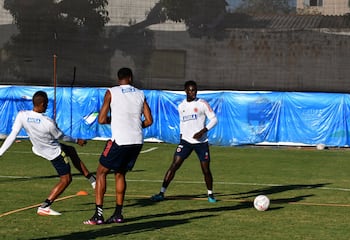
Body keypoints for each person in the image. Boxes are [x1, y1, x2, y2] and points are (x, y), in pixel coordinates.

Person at [0, 91, 96, 216]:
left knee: (71, 151)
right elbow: (62, 137)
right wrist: (77, 140)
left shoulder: (22, 115)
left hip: (39, 149)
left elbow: (12, 136)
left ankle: (92, 179)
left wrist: (0, 152)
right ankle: (45, 206)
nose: (47, 107)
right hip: (54, 152)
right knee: (66, 179)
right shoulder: (48, 122)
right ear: (42, 104)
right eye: (46, 105)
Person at [84, 67, 153, 225]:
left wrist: (113, 121)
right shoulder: (140, 93)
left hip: (120, 140)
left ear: (119, 78)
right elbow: (149, 121)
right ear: (130, 77)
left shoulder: (111, 92)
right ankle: (118, 214)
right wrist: (134, 124)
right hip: (136, 140)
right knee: (120, 174)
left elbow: (101, 119)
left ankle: (98, 215)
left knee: (101, 172)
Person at [150, 80, 218, 203]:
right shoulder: (181, 106)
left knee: (206, 169)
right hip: (186, 141)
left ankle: (210, 194)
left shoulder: (202, 103)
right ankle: (161, 192)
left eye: (195, 90)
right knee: (174, 165)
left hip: (201, 143)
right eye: (190, 90)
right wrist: (182, 137)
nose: (193, 92)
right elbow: (182, 122)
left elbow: (214, 120)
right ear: (185, 91)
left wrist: (202, 131)